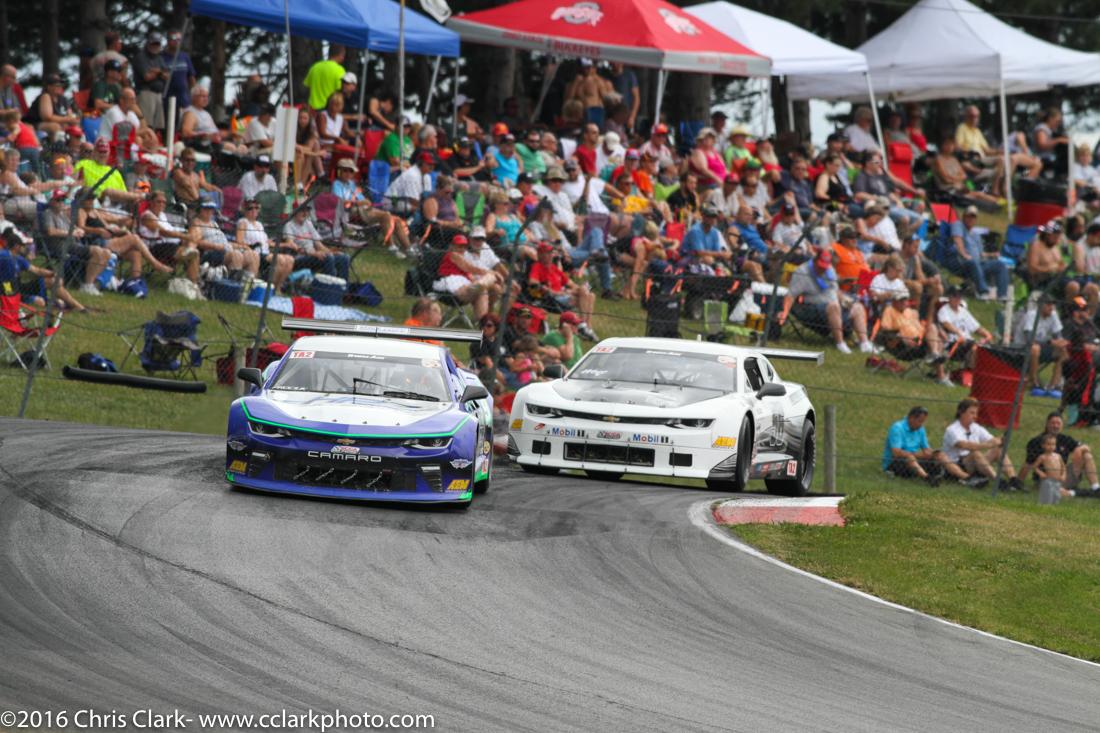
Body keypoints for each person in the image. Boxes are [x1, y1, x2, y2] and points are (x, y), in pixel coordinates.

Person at [779, 248, 874, 354]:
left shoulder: (829, 270)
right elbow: (791, 295)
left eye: (825, 267)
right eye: (820, 266)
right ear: (815, 261)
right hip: (812, 308)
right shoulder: (802, 272)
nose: (823, 269)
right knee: (833, 306)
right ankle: (840, 343)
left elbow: (834, 290)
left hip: (835, 304)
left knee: (858, 307)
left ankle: (864, 343)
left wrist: (844, 299)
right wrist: (785, 312)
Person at [940, 397, 1023, 491]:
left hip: (975, 463)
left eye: (976, 413)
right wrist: (988, 445)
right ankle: (998, 481)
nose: (975, 416)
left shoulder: (975, 427)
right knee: (975, 453)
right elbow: (964, 445)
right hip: (958, 465)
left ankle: (1013, 479)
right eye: (972, 413)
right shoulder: (952, 429)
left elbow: (991, 440)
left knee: (998, 450)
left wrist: (1000, 441)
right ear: (961, 412)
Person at [1020, 412, 1100, 497]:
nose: (1055, 426)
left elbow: (1087, 447)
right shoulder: (1036, 442)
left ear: (1062, 425)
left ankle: (1096, 488)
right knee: (1054, 491)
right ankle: (1074, 493)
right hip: (1046, 480)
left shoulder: (1065, 439)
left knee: (1086, 455)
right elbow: (1028, 464)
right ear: (1047, 424)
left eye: (1058, 423)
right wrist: (1019, 482)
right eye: (1053, 423)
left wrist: (1079, 449)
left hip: (1063, 477)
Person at [529, 242, 597, 339]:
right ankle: (583, 326)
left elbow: (571, 284)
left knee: (590, 295)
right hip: (553, 298)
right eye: (547, 253)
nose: (550, 255)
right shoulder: (537, 266)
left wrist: (575, 290)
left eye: (550, 253)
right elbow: (532, 282)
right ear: (540, 254)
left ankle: (586, 326)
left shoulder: (554, 268)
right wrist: (556, 291)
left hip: (564, 295)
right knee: (584, 294)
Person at [948, 205, 1010, 300]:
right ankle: (983, 292)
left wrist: (992, 254)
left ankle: (1002, 295)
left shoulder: (976, 234)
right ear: (964, 216)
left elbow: (981, 254)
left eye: (973, 217)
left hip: (978, 264)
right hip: (963, 263)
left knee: (1000, 265)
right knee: (973, 262)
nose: (971, 219)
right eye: (969, 216)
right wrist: (964, 254)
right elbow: (957, 241)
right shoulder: (958, 225)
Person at [1012, 293, 1068, 397]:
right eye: (1048, 304)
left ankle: (1053, 386)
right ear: (1040, 305)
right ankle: (1034, 383)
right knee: (1035, 348)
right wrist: (1051, 342)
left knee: (1063, 350)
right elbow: (1029, 339)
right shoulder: (1031, 315)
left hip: (1041, 347)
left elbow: (1058, 335)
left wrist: (1061, 342)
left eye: (1053, 304)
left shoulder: (1053, 314)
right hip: (1021, 348)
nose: (1051, 307)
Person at [282, 205, 350, 280]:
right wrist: (314, 253)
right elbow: (291, 245)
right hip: (299, 258)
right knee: (328, 258)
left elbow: (318, 244)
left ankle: (343, 285)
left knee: (344, 258)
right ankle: (330, 285)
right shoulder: (289, 225)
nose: (305, 213)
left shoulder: (308, 223)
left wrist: (331, 252)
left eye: (307, 211)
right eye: (302, 211)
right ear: (295, 212)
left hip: (313, 256)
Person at [237, 198, 293, 288]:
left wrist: (286, 244)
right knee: (280, 260)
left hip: (266, 253)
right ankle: (269, 288)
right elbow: (239, 241)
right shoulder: (243, 222)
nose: (254, 210)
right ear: (245, 210)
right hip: (255, 252)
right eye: (250, 208)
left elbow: (267, 243)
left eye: (256, 207)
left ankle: (278, 287)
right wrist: (249, 248)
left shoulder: (259, 224)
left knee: (290, 259)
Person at [433, 234, 492, 319]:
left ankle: (482, 322)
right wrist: (489, 273)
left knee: (483, 292)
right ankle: (483, 322)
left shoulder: (463, 258)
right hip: (451, 285)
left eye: (464, 247)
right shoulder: (452, 254)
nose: (462, 249)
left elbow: (470, 275)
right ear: (452, 246)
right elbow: (469, 268)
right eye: (459, 246)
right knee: (482, 288)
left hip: (463, 286)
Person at [188, 200, 251, 275]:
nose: (209, 211)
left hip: (226, 249)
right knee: (236, 255)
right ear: (200, 209)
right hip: (212, 253)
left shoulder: (214, 224)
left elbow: (225, 242)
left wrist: (240, 246)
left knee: (252, 255)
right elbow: (196, 241)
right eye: (206, 208)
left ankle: (249, 280)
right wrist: (216, 246)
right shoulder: (197, 223)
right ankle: (233, 280)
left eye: (211, 209)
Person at [882, 406, 941, 485]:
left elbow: (926, 448)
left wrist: (931, 453)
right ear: (911, 418)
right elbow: (896, 452)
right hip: (895, 462)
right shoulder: (897, 428)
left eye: (923, 422)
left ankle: (942, 474)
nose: (921, 424)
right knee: (909, 457)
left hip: (914, 461)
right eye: (920, 421)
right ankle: (927, 478)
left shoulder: (920, 429)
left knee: (939, 455)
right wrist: (917, 455)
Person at [937, 285, 990, 368]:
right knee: (974, 347)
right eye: (955, 296)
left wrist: (987, 334)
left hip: (967, 342)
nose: (957, 299)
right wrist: (958, 332)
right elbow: (946, 324)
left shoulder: (963, 311)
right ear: (949, 297)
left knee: (987, 348)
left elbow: (976, 327)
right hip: (953, 344)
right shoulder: (944, 310)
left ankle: (978, 372)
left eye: (959, 296)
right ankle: (969, 371)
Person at [131, 32, 169, 130]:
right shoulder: (141, 57)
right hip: (146, 92)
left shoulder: (160, 58)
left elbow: (167, 76)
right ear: (148, 43)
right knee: (146, 123)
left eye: (158, 44)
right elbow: (147, 77)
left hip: (158, 94)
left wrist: (157, 72)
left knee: (158, 126)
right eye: (153, 43)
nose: (155, 46)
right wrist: (160, 73)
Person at [29, 73, 80, 141]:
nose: (60, 87)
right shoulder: (45, 96)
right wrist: (67, 119)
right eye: (57, 85)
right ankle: (58, 146)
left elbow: (70, 115)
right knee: (55, 126)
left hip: (60, 124)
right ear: (49, 87)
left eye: (61, 85)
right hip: (36, 125)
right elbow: (47, 117)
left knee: (74, 127)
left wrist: (73, 121)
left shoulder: (63, 99)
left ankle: (74, 146)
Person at [162, 29, 197, 114]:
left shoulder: (185, 56)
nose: (176, 42)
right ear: (168, 40)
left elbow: (191, 77)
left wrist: (193, 94)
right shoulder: (161, 57)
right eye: (174, 38)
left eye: (179, 39)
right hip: (166, 97)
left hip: (183, 98)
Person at [304, 44, 346, 111]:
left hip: (312, 109)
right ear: (341, 55)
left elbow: (307, 87)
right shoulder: (340, 70)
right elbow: (341, 91)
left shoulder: (315, 67)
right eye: (343, 55)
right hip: (329, 110)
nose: (343, 58)